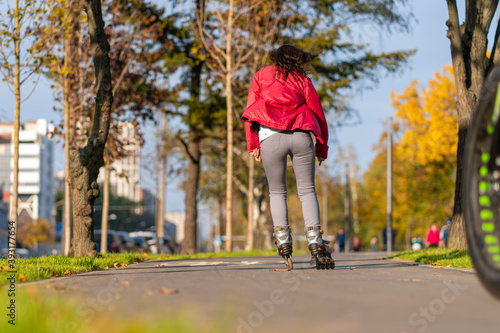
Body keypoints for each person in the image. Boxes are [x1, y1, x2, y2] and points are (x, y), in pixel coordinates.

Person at [241, 45, 332, 270]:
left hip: (271, 138)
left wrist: (253, 145)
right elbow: (318, 114)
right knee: (307, 190)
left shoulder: (261, 75)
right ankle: (316, 243)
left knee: (277, 192)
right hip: (301, 136)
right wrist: (322, 148)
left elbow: (251, 109)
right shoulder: (302, 80)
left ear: (276, 58)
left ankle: (283, 242)